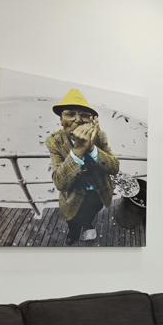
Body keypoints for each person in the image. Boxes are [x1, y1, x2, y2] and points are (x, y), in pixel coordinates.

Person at [47, 88, 121, 244]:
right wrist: (79, 149)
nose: (78, 120)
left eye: (84, 115)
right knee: (72, 219)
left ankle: (87, 225)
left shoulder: (100, 135)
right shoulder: (54, 141)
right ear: (61, 119)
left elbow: (114, 167)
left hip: (98, 192)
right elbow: (60, 182)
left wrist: (93, 148)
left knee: (91, 213)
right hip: (72, 196)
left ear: (91, 120)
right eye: (70, 114)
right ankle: (73, 234)